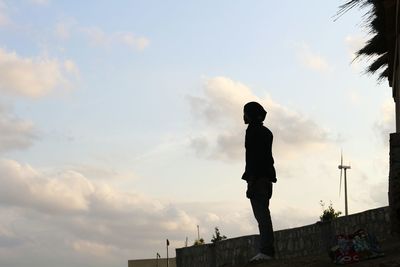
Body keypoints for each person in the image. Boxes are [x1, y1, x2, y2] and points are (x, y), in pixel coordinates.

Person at [242, 101, 277, 262]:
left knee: (262, 216)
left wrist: (251, 181)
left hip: (258, 179)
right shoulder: (266, 132)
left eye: (245, 113)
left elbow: (255, 159)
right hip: (266, 178)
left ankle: (266, 251)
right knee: (264, 215)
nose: (243, 117)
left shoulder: (253, 132)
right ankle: (267, 249)